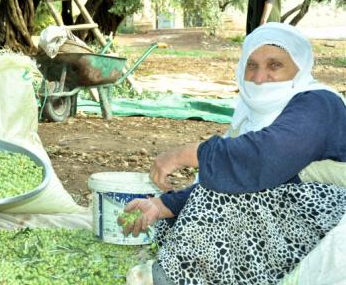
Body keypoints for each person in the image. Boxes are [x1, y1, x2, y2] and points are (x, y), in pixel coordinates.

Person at [121, 22, 346, 284]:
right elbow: (229, 173)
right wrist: (162, 205)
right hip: (279, 218)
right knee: (212, 191)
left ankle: (177, 276)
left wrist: (183, 154)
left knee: (230, 192)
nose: (260, 78)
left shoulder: (319, 103)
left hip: (323, 217)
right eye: (252, 66)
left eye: (275, 65)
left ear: (301, 67)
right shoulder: (250, 114)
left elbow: (261, 160)